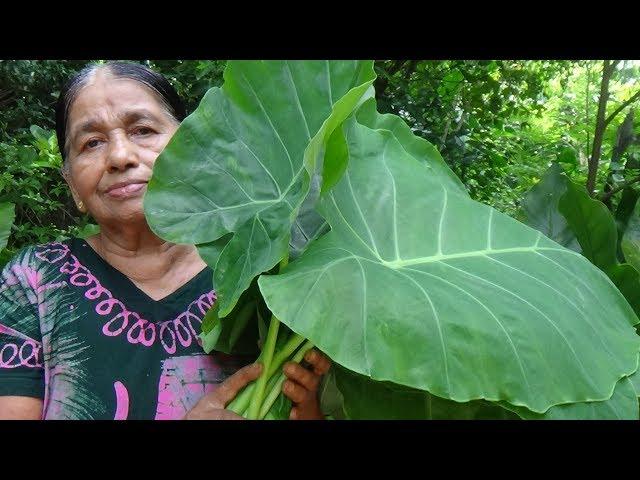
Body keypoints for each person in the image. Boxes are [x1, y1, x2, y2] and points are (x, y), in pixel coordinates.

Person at [0, 61, 331, 420]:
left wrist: (304, 406)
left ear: (190, 148)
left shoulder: (259, 269)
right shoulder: (36, 280)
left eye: (142, 130)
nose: (120, 157)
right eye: (91, 142)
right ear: (70, 182)